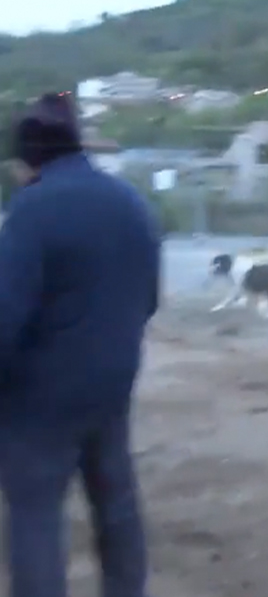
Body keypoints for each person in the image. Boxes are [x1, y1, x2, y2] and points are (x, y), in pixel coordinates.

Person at [0, 94, 160, 597]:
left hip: (40, 402)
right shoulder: (129, 201)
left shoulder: (31, 209)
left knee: (35, 517)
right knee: (116, 504)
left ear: (27, 160)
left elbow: (5, 314)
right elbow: (149, 299)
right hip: (111, 386)